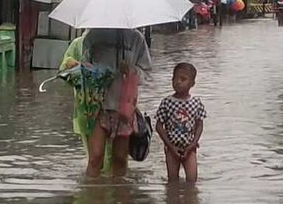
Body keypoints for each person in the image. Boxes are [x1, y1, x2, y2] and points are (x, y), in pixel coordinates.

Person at [83, 28, 152, 178]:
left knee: (120, 160)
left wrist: (131, 70)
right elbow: (82, 65)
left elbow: (146, 72)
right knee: (95, 158)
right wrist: (95, 72)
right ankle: (91, 198)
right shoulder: (93, 35)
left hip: (124, 109)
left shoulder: (136, 38)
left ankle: (120, 198)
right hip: (98, 106)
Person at [156, 63, 207, 183]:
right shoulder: (167, 102)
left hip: (190, 148)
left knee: (192, 179)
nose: (177, 82)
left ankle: (190, 200)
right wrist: (170, 146)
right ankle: (173, 199)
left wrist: (193, 143)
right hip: (171, 147)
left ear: (192, 84)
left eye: (183, 79)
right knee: (172, 180)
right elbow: (159, 126)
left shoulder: (196, 102)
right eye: (174, 78)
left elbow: (200, 124)